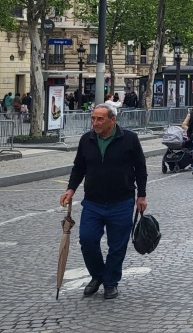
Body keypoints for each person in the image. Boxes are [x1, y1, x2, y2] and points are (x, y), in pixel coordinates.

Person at [60, 104, 147, 299]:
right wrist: (70, 189)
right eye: (93, 119)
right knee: (87, 240)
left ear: (112, 120)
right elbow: (78, 167)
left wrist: (141, 195)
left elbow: (140, 168)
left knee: (117, 246)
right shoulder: (87, 140)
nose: (95, 123)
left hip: (121, 201)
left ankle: (110, 282)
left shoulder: (129, 139)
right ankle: (98, 276)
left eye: (99, 119)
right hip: (93, 202)